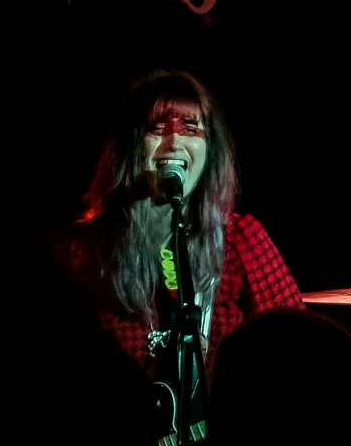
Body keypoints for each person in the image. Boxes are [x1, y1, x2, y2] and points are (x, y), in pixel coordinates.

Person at [65, 68, 303, 382]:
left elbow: (302, 350)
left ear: (209, 152)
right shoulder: (85, 249)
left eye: (190, 127)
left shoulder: (242, 238)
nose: (174, 139)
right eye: (156, 127)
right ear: (127, 147)